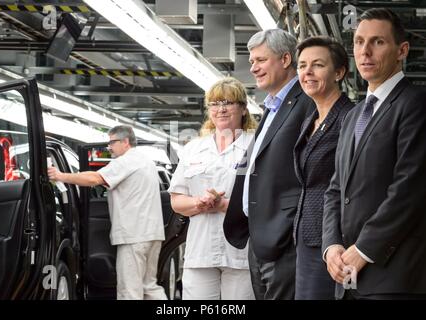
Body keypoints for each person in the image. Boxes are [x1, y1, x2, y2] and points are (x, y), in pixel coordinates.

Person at [322, 8, 426, 300]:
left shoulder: (415, 105)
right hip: (347, 275)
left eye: (377, 42)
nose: (364, 51)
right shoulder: (352, 116)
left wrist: (364, 249)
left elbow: (410, 188)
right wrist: (331, 247)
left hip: (394, 275)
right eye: (358, 42)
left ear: (401, 50)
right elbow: (335, 190)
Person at [223, 29, 315, 300]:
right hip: (260, 238)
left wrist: (286, 226)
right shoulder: (273, 107)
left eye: (260, 60)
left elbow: (312, 171)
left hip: (284, 239)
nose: (253, 68)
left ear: (286, 59)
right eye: (252, 62)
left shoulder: (306, 102)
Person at [48, 125, 167, 300]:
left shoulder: (125, 162)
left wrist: (60, 176)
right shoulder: (145, 161)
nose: (109, 147)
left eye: (112, 142)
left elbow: (94, 178)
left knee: (129, 291)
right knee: (149, 287)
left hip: (134, 236)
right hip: (152, 234)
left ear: (125, 141)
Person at [168, 77, 257, 300]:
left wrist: (223, 205)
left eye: (228, 102)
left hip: (242, 254)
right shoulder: (193, 148)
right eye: (215, 104)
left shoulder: (256, 146)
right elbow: (177, 200)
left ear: (243, 109)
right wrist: (198, 203)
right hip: (200, 251)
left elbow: (267, 200)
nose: (221, 109)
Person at [293, 36, 354, 300]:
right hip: (306, 235)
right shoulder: (311, 118)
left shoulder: (349, 117)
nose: (307, 72)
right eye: (302, 65)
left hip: (335, 242)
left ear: (339, 72)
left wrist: (337, 242)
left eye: (317, 65)